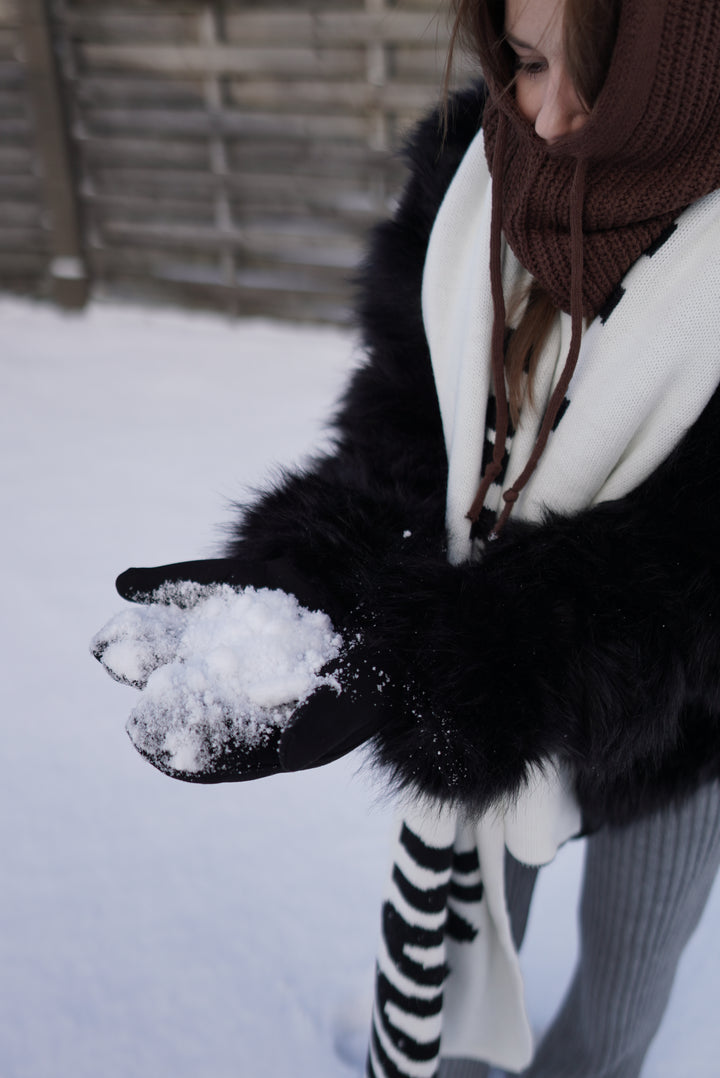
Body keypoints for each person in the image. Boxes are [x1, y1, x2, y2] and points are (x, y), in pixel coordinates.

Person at [93, 0, 720, 1075]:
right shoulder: (466, 192)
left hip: (681, 736)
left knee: (622, 994)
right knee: (470, 946)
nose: (552, 116)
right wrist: (325, 572)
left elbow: (696, 575)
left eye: (603, 84)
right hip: (488, 700)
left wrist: (458, 668)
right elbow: (406, 417)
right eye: (526, 64)